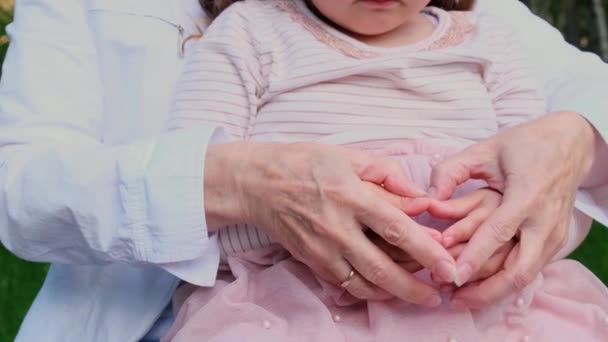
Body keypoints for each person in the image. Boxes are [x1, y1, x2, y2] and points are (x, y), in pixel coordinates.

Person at [0, 0, 605, 341]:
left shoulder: (488, 33)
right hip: (285, 309)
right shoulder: (250, 33)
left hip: (480, 305)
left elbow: (560, 126)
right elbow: (21, 186)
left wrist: (555, 166)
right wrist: (245, 193)